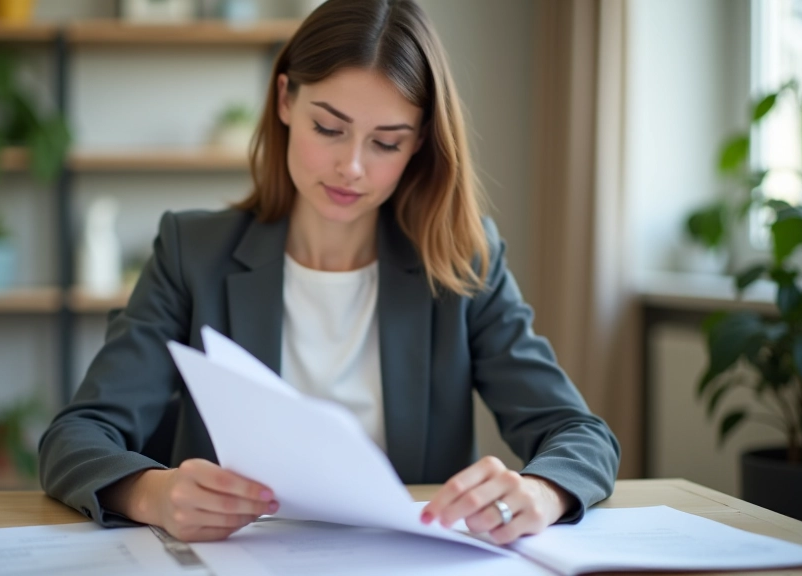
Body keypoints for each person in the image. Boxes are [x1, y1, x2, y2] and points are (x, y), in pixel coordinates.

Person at [39, 0, 620, 546]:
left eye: (387, 142)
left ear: (419, 142)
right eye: (329, 128)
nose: (352, 167)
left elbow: (580, 435)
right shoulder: (192, 252)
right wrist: (154, 493)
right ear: (287, 99)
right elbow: (76, 437)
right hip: (239, 558)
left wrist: (541, 494)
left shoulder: (464, 262)